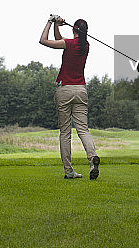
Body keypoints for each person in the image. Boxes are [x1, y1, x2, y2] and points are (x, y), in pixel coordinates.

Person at [39, 15, 100, 180]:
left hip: (65, 90)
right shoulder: (85, 46)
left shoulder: (70, 44)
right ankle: (92, 159)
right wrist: (57, 26)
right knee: (83, 130)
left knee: (65, 132)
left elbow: (43, 41)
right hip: (81, 90)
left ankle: (68, 171)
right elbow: (60, 40)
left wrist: (50, 21)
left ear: (74, 29)